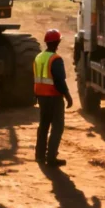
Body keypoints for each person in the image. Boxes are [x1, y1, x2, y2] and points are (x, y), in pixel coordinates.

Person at [33, 28, 72, 167]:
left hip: (42, 97)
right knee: (57, 127)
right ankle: (51, 158)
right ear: (57, 42)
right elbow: (59, 80)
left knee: (43, 126)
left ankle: (39, 156)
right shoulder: (55, 59)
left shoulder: (39, 57)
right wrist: (68, 96)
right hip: (54, 97)